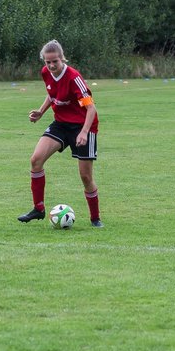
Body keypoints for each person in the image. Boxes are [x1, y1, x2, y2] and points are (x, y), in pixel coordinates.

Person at [17, 39, 103, 227]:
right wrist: (41, 112)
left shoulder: (74, 78)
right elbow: (52, 94)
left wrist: (84, 132)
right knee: (36, 160)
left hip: (84, 125)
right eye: (47, 62)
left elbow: (91, 109)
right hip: (61, 124)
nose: (51, 65)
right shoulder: (45, 73)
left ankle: (95, 218)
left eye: (55, 61)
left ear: (62, 58)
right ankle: (38, 209)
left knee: (85, 177)